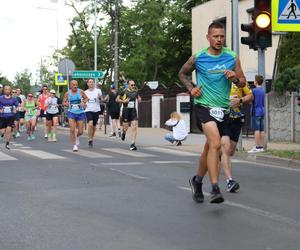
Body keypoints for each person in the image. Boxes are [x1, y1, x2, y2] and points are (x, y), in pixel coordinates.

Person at [178, 21, 246, 203]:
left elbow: (243, 82)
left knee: (210, 148)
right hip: (203, 106)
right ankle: (215, 188)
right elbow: (182, 73)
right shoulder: (198, 57)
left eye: (222, 36)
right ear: (208, 37)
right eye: (215, 36)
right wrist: (191, 88)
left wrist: (235, 79)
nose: (219, 39)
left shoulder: (232, 57)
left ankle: (197, 180)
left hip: (223, 109)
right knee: (216, 144)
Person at [218, 81, 253, 192]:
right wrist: (225, 101)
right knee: (226, 149)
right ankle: (230, 181)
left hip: (237, 118)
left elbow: (251, 96)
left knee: (230, 151)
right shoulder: (218, 78)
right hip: (223, 117)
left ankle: (215, 155)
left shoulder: (241, 81)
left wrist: (240, 100)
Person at [116, 79, 141, 150]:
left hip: (133, 111)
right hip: (125, 111)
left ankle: (133, 144)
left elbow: (138, 97)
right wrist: (124, 101)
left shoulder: (136, 91)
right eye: (132, 85)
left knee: (134, 126)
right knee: (125, 127)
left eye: (134, 85)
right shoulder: (124, 91)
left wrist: (139, 99)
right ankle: (124, 133)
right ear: (128, 85)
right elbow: (117, 99)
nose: (133, 86)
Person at [63, 80, 88, 152]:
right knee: (72, 129)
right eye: (73, 85)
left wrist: (83, 102)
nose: (75, 86)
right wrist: (66, 104)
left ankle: (77, 137)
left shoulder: (81, 92)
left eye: (76, 84)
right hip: (71, 112)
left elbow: (86, 98)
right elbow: (64, 102)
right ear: (70, 86)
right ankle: (74, 145)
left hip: (80, 112)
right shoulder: (67, 93)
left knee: (80, 131)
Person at [248, 75, 265, 153]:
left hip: (255, 111)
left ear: (256, 81)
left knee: (256, 129)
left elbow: (250, 100)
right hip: (262, 111)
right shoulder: (263, 90)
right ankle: (261, 146)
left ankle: (257, 147)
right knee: (262, 130)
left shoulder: (253, 90)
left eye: (254, 80)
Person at [84, 79, 102, 147]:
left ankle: (91, 137)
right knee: (90, 124)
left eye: (92, 82)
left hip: (96, 109)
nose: (91, 83)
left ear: (94, 83)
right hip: (88, 110)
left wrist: (99, 97)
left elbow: (101, 99)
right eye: (90, 82)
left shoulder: (98, 91)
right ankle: (89, 139)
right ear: (87, 84)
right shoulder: (85, 92)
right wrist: (84, 104)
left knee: (94, 126)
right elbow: (83, 101)